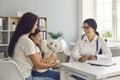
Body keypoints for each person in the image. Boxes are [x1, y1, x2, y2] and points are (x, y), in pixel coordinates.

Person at [8, 12, 58, 80]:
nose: (36, 27)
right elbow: (38, 65)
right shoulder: (26, 41)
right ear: (29, 25)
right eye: (35, 24)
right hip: (26, 77)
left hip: (17, 75)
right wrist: (54, 65)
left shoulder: (18, 38)